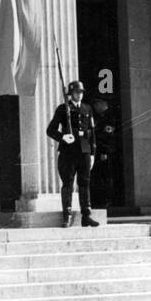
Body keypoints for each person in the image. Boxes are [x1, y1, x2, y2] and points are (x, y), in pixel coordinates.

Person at [46, 80, 99, 228]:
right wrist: (62, 137)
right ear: (71, 94)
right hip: (68, 152)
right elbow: (50, 130)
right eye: (76, 92)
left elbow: (92, 133)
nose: (79, 95)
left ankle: (86, 215)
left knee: (85, 183)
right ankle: (67, 215)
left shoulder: (87, 108)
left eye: (81, 92)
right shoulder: (63, 109)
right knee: (68, 184)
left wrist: (93, 153)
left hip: (84, 151)